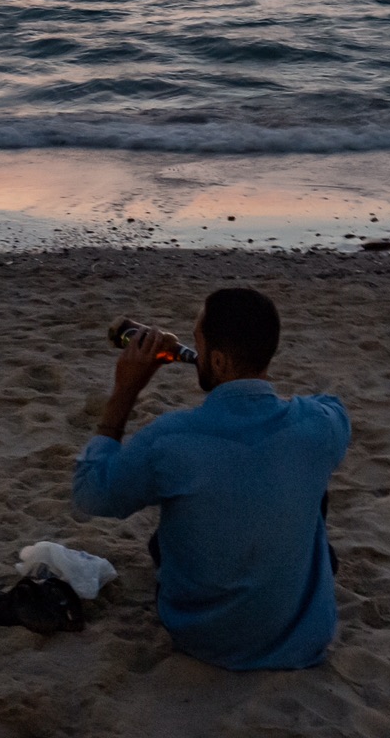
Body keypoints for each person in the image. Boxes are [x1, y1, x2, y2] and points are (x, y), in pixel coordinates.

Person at [72, 287, 351, 670]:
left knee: (167, 533)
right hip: (304, 639)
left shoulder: (170, 438)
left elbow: (89, 494)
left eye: (197, 342)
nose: (194, 350)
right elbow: (331, 406)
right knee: (307, 482)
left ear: (218, 360)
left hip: (203, 639)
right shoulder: (318, 425)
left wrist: (126, 390)